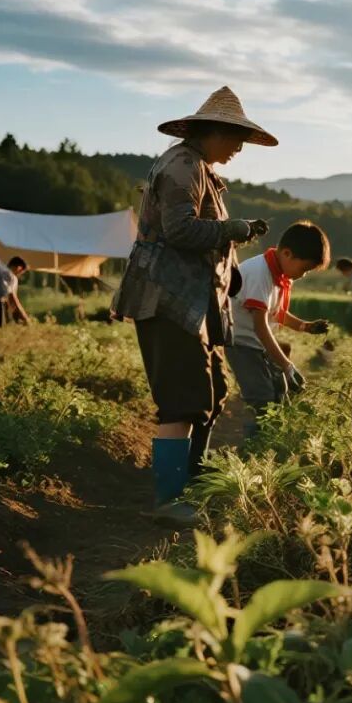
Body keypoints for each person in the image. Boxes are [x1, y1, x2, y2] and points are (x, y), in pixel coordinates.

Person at [112, 86, 276, 524]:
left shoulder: (197, 168)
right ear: (213, 131)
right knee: (183, 401)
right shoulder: (183, 167)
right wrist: (233, 229)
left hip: (190, 301)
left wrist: (230, 260)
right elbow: (181, 231)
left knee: (211, 394)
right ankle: (169, 500)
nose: (240, 147)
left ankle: (191, 484)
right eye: (236, 137)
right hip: (168, 298)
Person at [226, 221, 332, 434]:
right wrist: (286, 365)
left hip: (258, 344)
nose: (303, 275)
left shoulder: (281, 274)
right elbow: (260, 326)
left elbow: (277, 313)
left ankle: (271, 443)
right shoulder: (259, 274)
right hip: (241, 344)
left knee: (280, 391)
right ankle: (254, 449)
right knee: (262, 398)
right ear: (287, 253)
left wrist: (306, 327)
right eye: (304, 268)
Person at [0, 256, 31, 325]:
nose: (20, 274)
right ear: (19, 268)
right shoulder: (12, 276)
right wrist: (25, 317)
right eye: (21, 272)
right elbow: (13, 298)